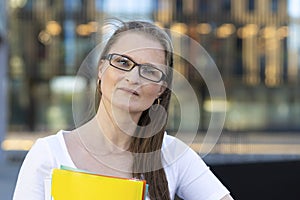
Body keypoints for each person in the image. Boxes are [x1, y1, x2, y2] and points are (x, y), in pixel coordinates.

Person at [13, 20, 233, 200]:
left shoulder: (174, 155)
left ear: (160, 89)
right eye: (123, 62)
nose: (133, 77)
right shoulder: (48, 154)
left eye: (149, 71)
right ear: (101, 70)